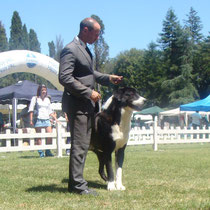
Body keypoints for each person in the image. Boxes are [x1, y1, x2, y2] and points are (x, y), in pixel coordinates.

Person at [59, 17, 123, 196]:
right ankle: (78, 186)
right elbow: (64, 77)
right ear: (85, 30)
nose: (98, 37)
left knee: (84, 144)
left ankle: (78, 183)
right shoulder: (70, 49)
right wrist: (88, 92)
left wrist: (108, 78)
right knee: (80, 145)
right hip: (78, 104)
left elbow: (90, 74)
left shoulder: (85, 50)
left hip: (87, 106)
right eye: (96, 33)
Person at [28, 84, 56, 158]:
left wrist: (55, 119)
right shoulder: (35, 98)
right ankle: (40, 152)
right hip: (38, 119)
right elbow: (31, 109)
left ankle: (48, 151)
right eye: (42, 90)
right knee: (39, 137)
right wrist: (31, 120)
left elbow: (50, 111)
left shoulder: (47, 99)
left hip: (47, 119)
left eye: (45, 90)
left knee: (50, 135)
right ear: (39, 91)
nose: (44, 91)